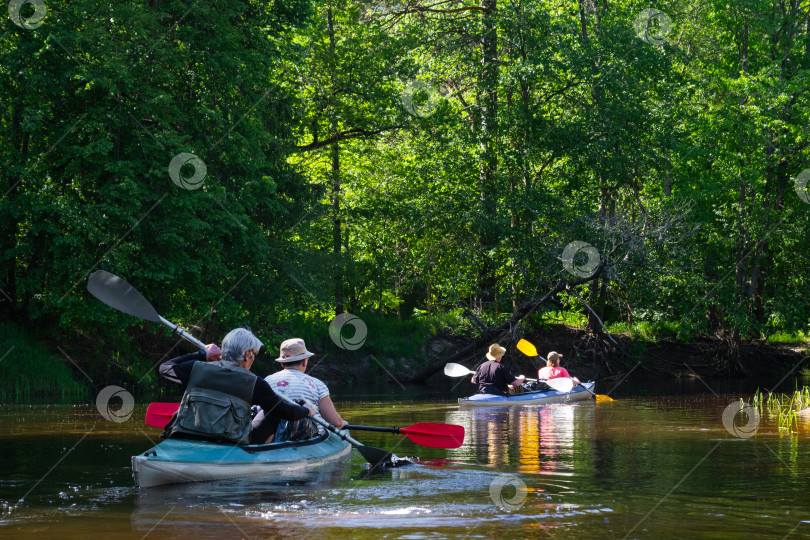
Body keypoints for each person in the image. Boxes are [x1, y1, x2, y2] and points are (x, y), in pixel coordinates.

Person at [158, 327, 315, 445]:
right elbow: (286, 412)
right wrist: (306, 410)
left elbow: (165, 367)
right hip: (229, 445)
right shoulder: (255, 383)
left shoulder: (196, 368)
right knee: (272, 411)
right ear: (247, 354)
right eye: (254, 355)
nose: (253, 360)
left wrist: (202, 354)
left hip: (187, 436)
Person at [262, 338, 347, 434]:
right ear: (304, 362)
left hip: (272, 437)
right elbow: (335, 422)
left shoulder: (266, 381)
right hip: (308, 436)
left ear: (282, 363)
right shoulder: (318, 385)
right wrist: (341, 423)